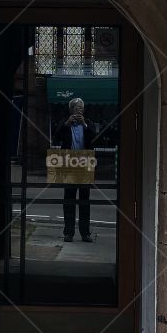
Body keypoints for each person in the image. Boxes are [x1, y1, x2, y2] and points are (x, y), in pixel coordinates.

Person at [53, 97, 97, 243]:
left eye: (81, 108)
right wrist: (67, 124)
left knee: (85, 199)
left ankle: (85, 233)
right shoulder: (65, 124)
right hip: (69, 162)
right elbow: (56, 137)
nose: (79, 110)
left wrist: (84, 124)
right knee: (69, 199)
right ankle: (68, 233)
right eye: (76, 108)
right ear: (71, 110)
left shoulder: (88, 123)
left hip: (84, 163)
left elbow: (95, 138)